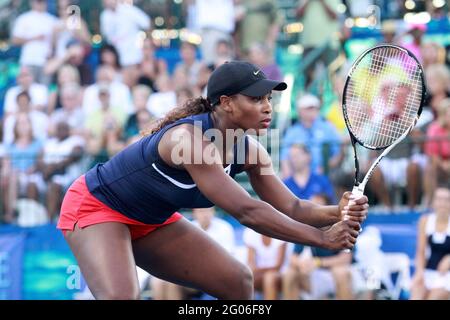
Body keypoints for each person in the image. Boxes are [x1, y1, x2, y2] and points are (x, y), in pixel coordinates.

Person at [57, 61, 368, 300]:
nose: (267, 107)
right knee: (123, 296)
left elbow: (294, 206)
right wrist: (322, 238)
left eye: (269, 99)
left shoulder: (250, 151)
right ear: (226, 103)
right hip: (96, 207)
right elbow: (248, 211)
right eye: (256, 98)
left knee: (237, 282)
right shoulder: (188, 141)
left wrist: (336, 212)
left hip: (151, 220)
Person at [410, 187, 450, 300]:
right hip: (427, 272)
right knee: (416, 295)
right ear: (433, 202)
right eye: (439, 199)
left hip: (446, 275)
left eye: (447, 200)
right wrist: (419, 273)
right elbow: (421, 251)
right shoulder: (425, 221)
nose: (443, 203)